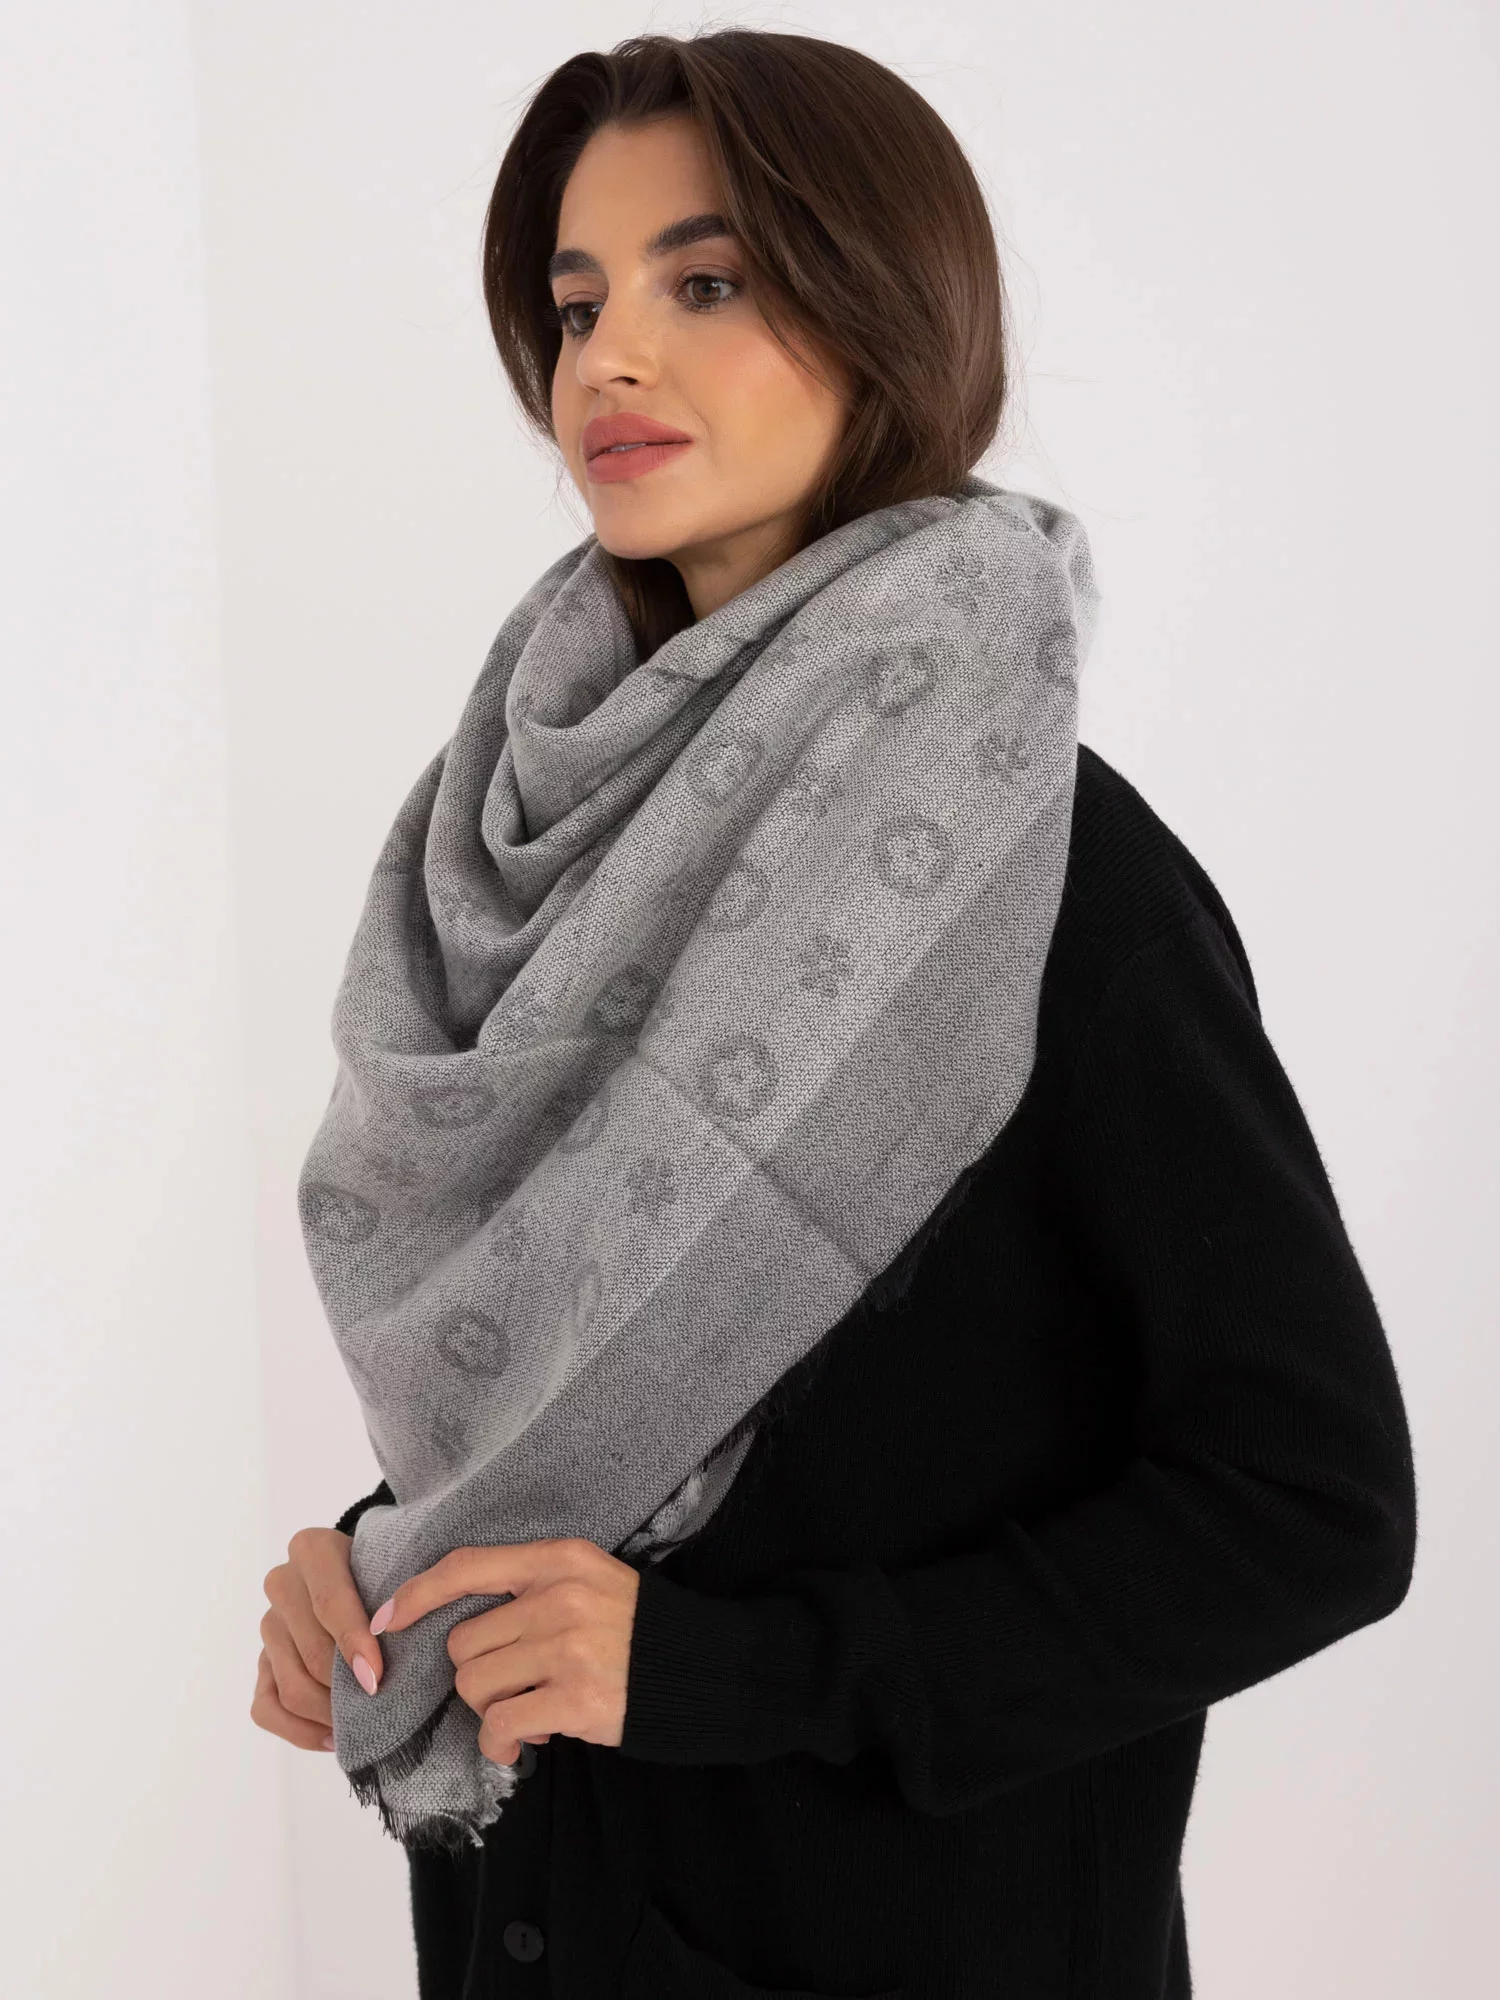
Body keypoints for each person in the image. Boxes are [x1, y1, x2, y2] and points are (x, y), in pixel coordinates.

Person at [251, 29, 1417, 1999]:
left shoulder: (1046, 874)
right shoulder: (528, 859)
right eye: (578, 303)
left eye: (707, 282)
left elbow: (1313, 1509)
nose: (610, 357)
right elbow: (656, 1399)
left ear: (886, 314)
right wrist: (398, 1562)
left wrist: (746, 1671)